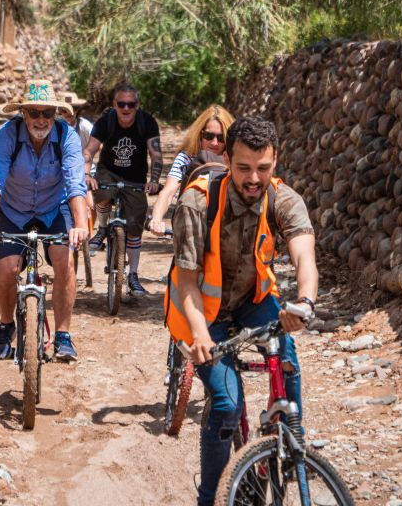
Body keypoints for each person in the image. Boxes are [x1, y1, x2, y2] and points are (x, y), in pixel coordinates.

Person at [164, 116, 317, 506]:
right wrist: (199, 333)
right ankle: (210, 497)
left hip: (252, 300)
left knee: (288, 365)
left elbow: (304, 254)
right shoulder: (196, 202)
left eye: (263, 168)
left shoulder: (283, 198)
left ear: (275, 161)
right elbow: (185, 281)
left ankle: (284, 442)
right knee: (227, 404)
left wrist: (304, 302)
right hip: (199, 310)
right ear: (227, 160)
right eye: (244, 168)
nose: (253, 178)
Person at [0, 79, 89, 362]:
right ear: (24, 114)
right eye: (35, 113)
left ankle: (63, 336)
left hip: (54, 207)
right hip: (14, 209)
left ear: (55, 114)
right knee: (8, 267)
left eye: (47, 113)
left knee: (65, 260)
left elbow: (76, 183)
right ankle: (6, 326)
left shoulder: (67, 137)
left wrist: (81, 225)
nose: (41, 119)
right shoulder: (8, 135)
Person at [83, 83, 162, 297]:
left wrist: (154, 180)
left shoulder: (147, 122)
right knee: (102, 192)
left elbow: (156, 154)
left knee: (135, 226)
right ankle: (101, 228)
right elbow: (89, 150)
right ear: (114, 104)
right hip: (108, 171)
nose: (126, 108)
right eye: (121, 104)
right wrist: (87, 174)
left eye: (131, 104)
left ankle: (133, 276)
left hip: (135, 176)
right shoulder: (106, 121)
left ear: (137, 105)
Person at [148, 104, 234, 237]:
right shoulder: (186, 158)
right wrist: (156, 219)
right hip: (189, 228)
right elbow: (168, 192)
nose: (214, 143)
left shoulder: (235, 161)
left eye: (221, 138)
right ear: (200, 134)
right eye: (209, 136)